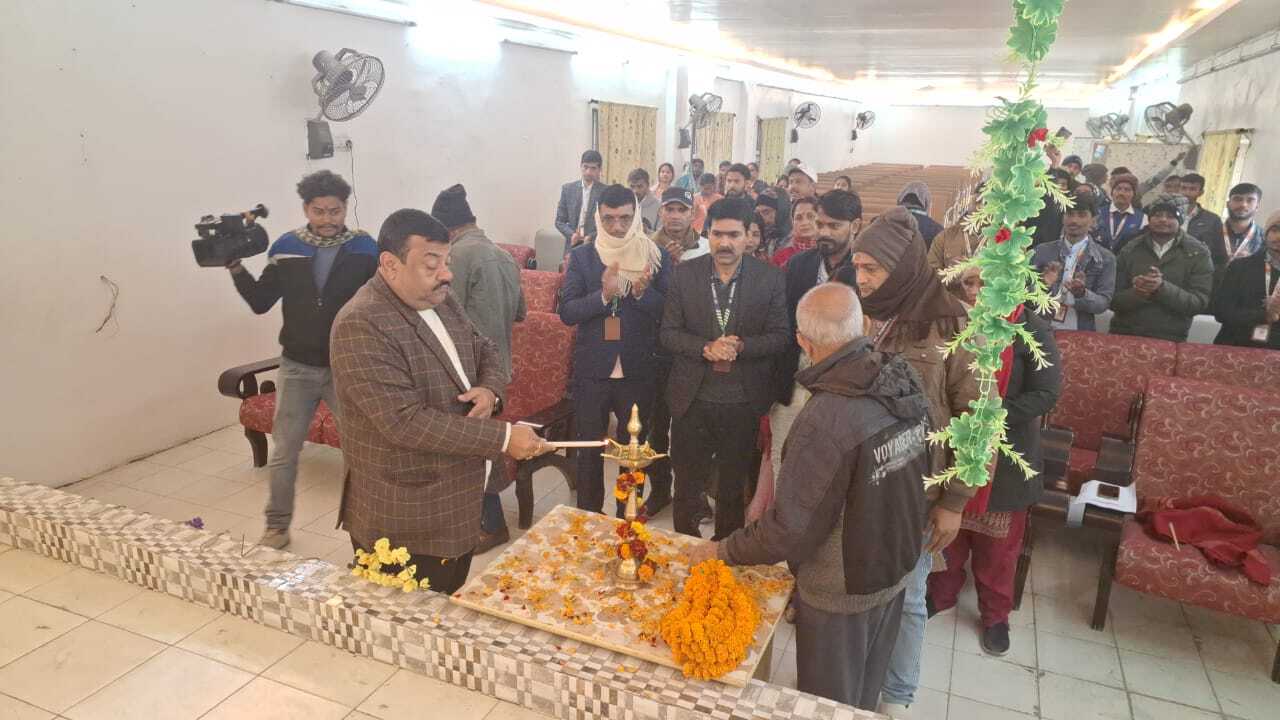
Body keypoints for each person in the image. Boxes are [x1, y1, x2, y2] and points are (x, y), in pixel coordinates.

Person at [686, 283, 930, 710]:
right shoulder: (899, 377)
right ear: (863, 326)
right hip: (894, 567)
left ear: (803, 342)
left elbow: (790, 529)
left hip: (843, 588)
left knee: (828, 705)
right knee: (862, 694)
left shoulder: (826, 417)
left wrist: (722, 550)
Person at [330, 209, 551, 595]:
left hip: (457, 504)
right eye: (432, 264)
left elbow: (485, 348)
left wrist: (490, 389)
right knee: (405, 619)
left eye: (447, 261)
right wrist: (503, 438)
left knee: (446, 597)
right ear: (390, 265)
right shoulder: (362, 323)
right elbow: (404, 422)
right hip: (406, 517)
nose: (446, 274)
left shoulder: (440, 300)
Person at [847, 207, 981, 717]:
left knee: (907, 597)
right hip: (864, 480)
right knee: (860, 586)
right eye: (857, 268)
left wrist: (955, 501)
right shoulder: (869, 315)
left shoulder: (953, 321)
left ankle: (897, 697)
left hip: (920, 489)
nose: (861, 279)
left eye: (871, 269)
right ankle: (857, 676)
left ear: (901, 266)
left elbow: (979, 418)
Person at [228, 170, 377, 550]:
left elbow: (381, 302)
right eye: (319, 211)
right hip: (296, 367)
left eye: (335, 211)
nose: (327, 219)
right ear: (306, 209)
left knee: (362, 453)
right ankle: (276, 528)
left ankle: (368, 535)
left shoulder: (365, 249)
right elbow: (260, 301)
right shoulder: (286, 247)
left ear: (345, 208)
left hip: (347, 367)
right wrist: (235, 268)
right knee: (285, 453)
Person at [927, 277, 1062, 657]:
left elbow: (1046, 393)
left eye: (985, 282)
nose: (974, 291)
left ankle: (995, 616)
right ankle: (942, 593)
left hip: (1006, 454)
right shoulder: (953, 321)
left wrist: (990, 414)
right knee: (946, 534)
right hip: (956, 443)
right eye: (969, 282)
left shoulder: (1031, 328)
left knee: (998, 550)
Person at [661, 198, 789, 539]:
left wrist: (741, 346)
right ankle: (683, 548)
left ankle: (724, 556)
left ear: (749, 236)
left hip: (742, 400)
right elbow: (668, 333)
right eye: (717, 234)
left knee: (732, 488)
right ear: (708, 234)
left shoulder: (770, 279)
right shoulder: (685, 274)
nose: (725, 243)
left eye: (734, 235)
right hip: (692, 397)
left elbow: (780, 336)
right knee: (686, 485)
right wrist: (705, 348)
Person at [560, 185, 671, 515]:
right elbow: (568, 312)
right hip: (593, 369)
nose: (617, 226)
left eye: (625, 218)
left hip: (638, 368)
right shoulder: (583, 256)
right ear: (598, 216)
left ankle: (627, 517)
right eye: (609, 219)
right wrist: (604, 297)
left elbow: (669, 312)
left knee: (632, 450)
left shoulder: (654, 255)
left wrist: (641, 294)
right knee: (589, 449)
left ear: (635, 215)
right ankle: (590, 517)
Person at [431, 183, 528, 553]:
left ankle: (492, 525)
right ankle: (482, 520)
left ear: (447, 229)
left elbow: (443, 315)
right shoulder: (505, 256)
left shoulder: (456, 257)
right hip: (499, 368)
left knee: (474, 448)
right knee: (481, 444)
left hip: (468, 372)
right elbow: (520, 313)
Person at [1110, 195, 1214, 342]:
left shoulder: (1198, 253)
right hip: (1124, 333)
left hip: (1170, 338)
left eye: (1170, 216)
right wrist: (1138, 293)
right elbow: (1112, 300)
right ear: (1149, 219)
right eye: (1157, 215)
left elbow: (1198, 303)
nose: (1163, 220)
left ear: (1180, 220)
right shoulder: (1130, 248)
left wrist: (1162, 288)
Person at [1030, 188, 1117, 331]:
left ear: (1093, 220)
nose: (1074, 221)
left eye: (1081, 215)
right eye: (1069, 214)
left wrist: (1082, 294)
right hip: (1042, 328)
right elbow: (1025, 295)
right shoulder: (1042, 251)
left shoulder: (1106, 258)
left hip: (1081, 329)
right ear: (1062, 217)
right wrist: (1043, 286)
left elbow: (1103, 303)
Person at [1212, 210, 1280, 349]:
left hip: (1274, 354)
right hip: (1234, 346)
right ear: (1266, 233)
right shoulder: (1240, 266)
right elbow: (1221, 312)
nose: (1279, 237)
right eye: (1275, 230)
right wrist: (1264, 315)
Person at [555, 150, 604, 255]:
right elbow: (559, 221)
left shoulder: (605, 192)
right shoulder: (568, 189)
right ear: (581, 166)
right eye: (585, 167)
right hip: (572, 245)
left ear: (599, 170)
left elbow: (607, 224)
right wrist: (571, 234)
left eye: (593, 168)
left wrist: (591, 237)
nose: (588, 172)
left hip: (596, 246)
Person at [1179, 173, 1226, 272]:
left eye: (1192, 189)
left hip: (1197, 272)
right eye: (1183, 188)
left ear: (1201, 192)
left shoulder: (1213, 220)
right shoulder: (1167, 216)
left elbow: (1219, 254)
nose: (1186, 193)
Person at [651, 187, 708, 264]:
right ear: (660, 212)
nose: (675, 216)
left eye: (682, 210)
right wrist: (665, 261)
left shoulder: (706, 248)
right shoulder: (648, 246)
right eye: (669, 209)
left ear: (692, 214)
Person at [1097, 173, 1146, 253]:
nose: (1121, 193)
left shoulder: (1143, 219)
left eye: (1127, 190)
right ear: (1112, 192)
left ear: (1134, 194)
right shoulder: (1097, 213)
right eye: (1118, 189)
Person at [1220, 183, 1265, 264]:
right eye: (1237, 199)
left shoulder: (1265, 239)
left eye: (1250, 200)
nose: (1243, 204)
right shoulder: (1209, 231)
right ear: (1228, 204)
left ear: (1257, 207)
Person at [771, 195, 819, 268]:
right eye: (798, 218)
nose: (804, 222)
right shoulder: (780, 257)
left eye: (810, 216)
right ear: (792, 222)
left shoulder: (829, 252)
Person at [628, 168, 660, 232]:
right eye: (632, 186)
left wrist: (647, 231)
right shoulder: (624, 204)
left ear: (648, 185)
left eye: (639, 186)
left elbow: (661, 234)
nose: (635, 191)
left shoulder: (659, 206)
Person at [754, 193, 784, 258]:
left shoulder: (786, 238)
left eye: (766, 212)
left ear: (778, 212)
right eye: (757, 213)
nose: (761, 217)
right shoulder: (754, 235)